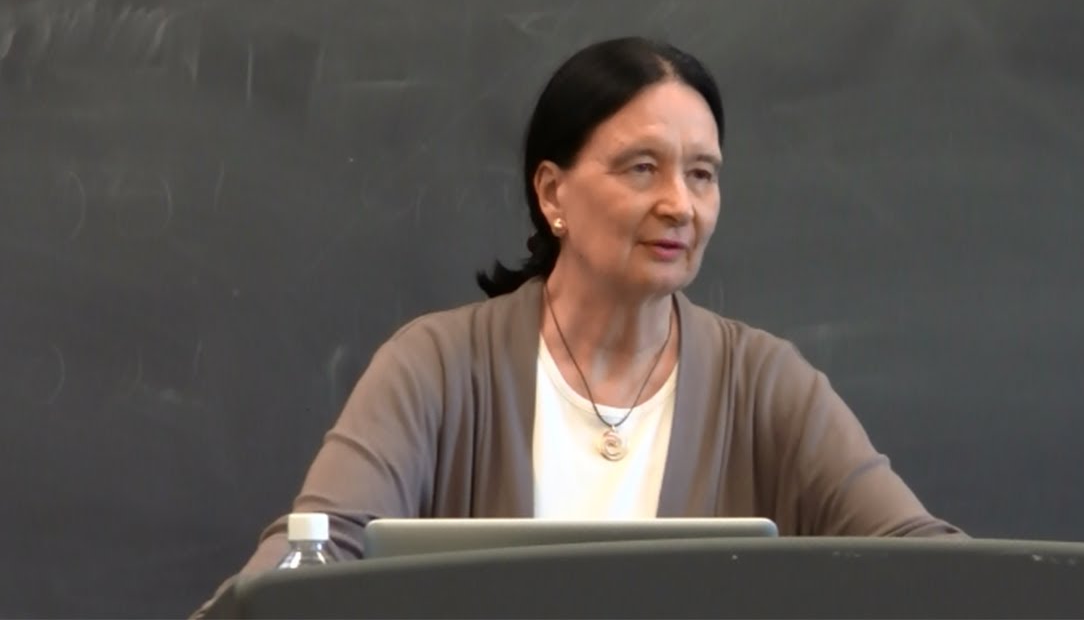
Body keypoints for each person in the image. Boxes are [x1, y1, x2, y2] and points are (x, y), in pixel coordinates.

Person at [192, 36, 963, 616]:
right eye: (642, 168)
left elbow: (928, 564)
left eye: (702, 174)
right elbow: (311, 554)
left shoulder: (765, 382)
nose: (680, 205)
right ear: (552, 193)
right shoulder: (438, 366)